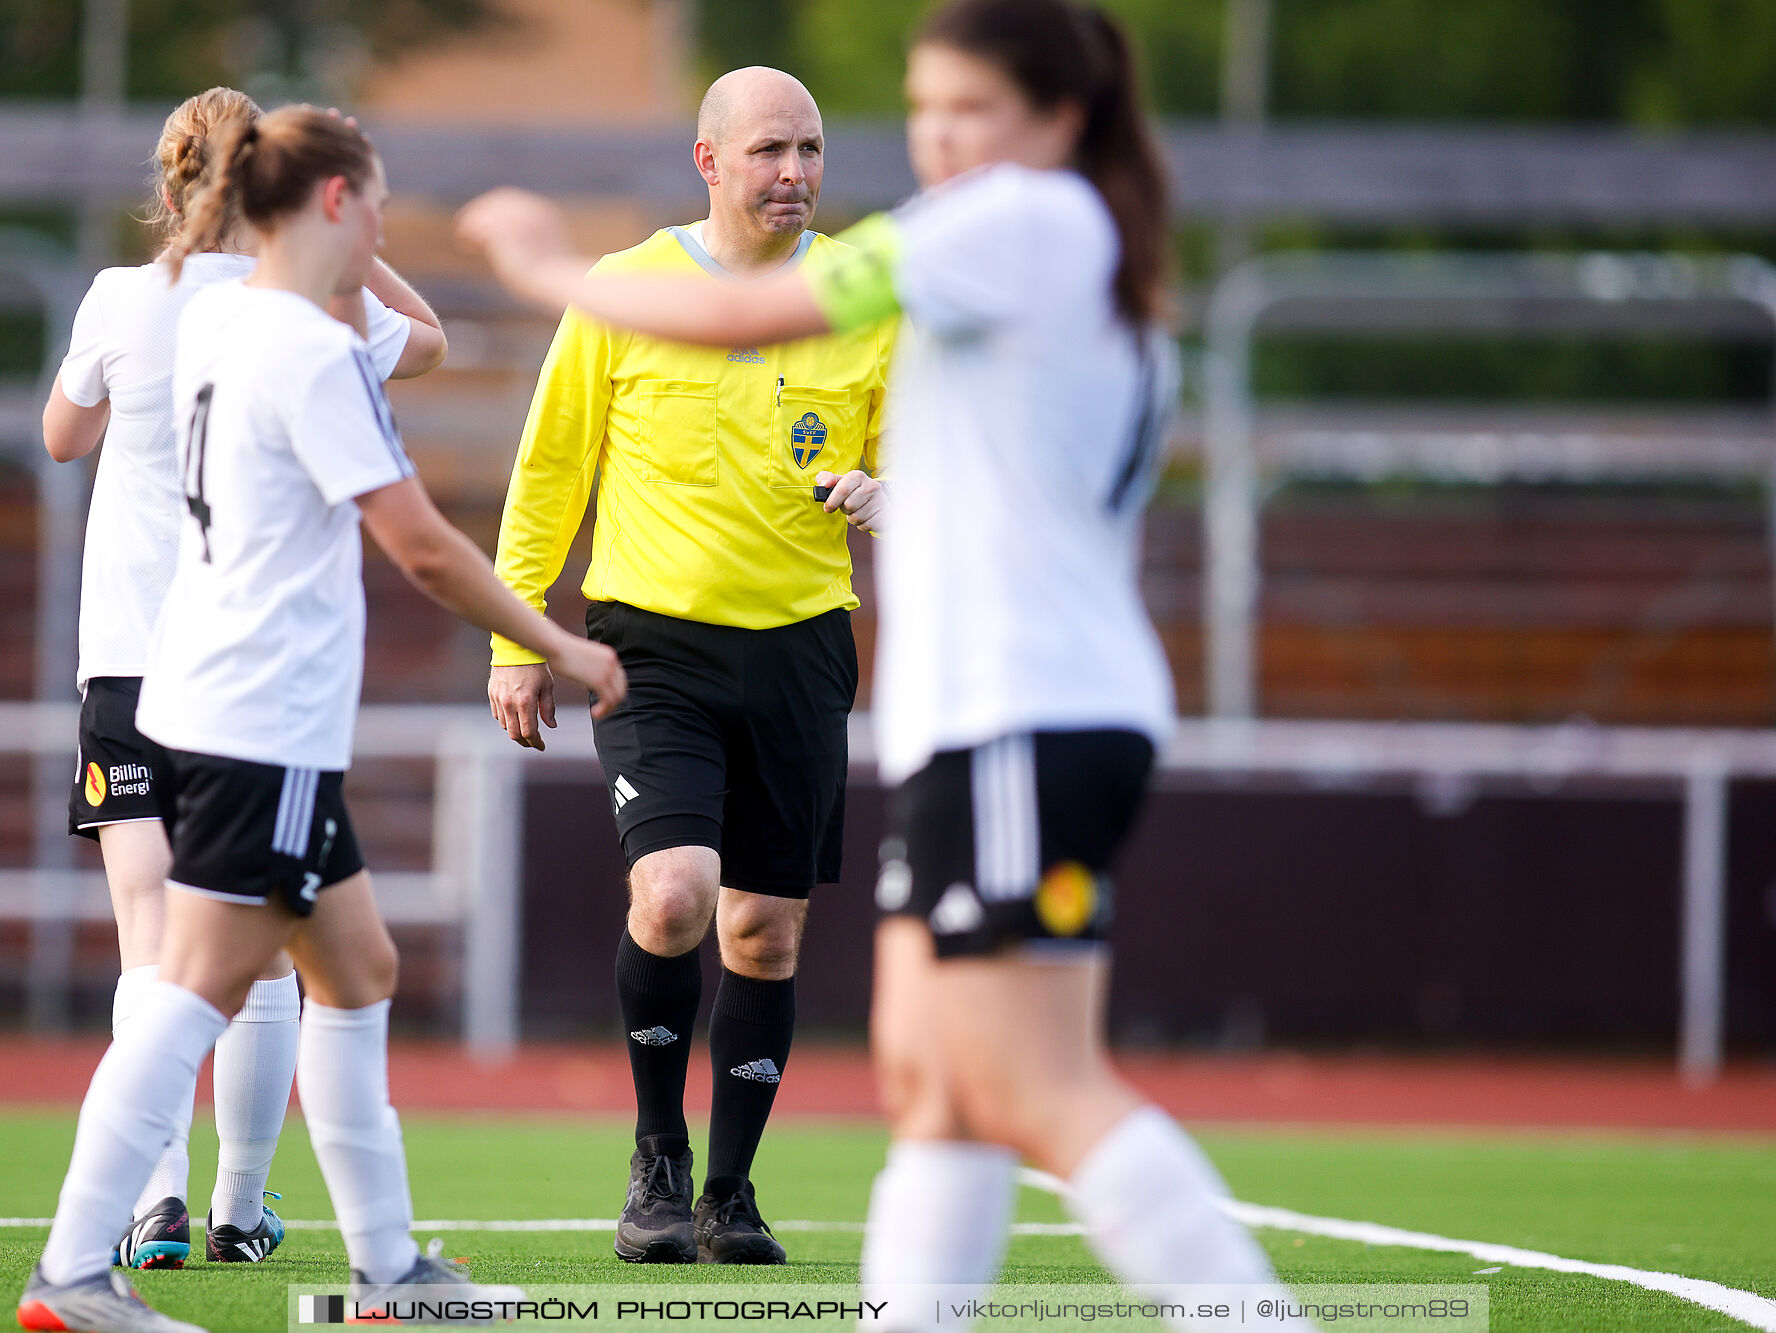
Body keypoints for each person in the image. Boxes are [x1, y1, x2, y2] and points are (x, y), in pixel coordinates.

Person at [458, 0, 1313, 1326]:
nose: (934, 139)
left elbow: (750, 321)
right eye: (923, 111)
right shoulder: (1036, 242)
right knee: (933, 1076)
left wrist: (537, 266)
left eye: (969, 108)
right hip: (967, 711)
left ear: (1059, 118)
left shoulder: (1015, 224)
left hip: (1029, 709)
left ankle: (1259, 1316)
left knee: (1033, 1084)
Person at [17, 106, 625, 1333]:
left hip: (213, 700)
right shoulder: (302, 343)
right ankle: (76, 1272)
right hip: (262, 719)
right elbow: (421, 543)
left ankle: (389, 1273)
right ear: (334, 205)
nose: (391, 224)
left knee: (357, 969)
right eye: (380, 202)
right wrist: (559, 640)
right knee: (194, 989)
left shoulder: (215, 316)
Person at [485, 67, 891, 1264]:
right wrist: (520, 638)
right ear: (709, 162)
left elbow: (937, 467)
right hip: (648, 644)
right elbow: (549, 472)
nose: (797, 174)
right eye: (771, 150)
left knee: (763, 931)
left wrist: (890, 492)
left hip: (805, 646)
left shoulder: (863, 298)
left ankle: (730, 1190)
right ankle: (656, 1156)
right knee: (672, 894)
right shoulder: (625, 290)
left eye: (812, 149)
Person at [40, 87, 449, 1274]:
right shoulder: (307, 309)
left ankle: (148, 1210)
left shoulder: (126, 298)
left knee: (149, 937)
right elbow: (429, 344)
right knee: (269, 953)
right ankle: (239, 1203)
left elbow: (66, 437)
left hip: (126, 653)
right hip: (243, 672)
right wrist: (363, 252)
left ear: (169, 189)